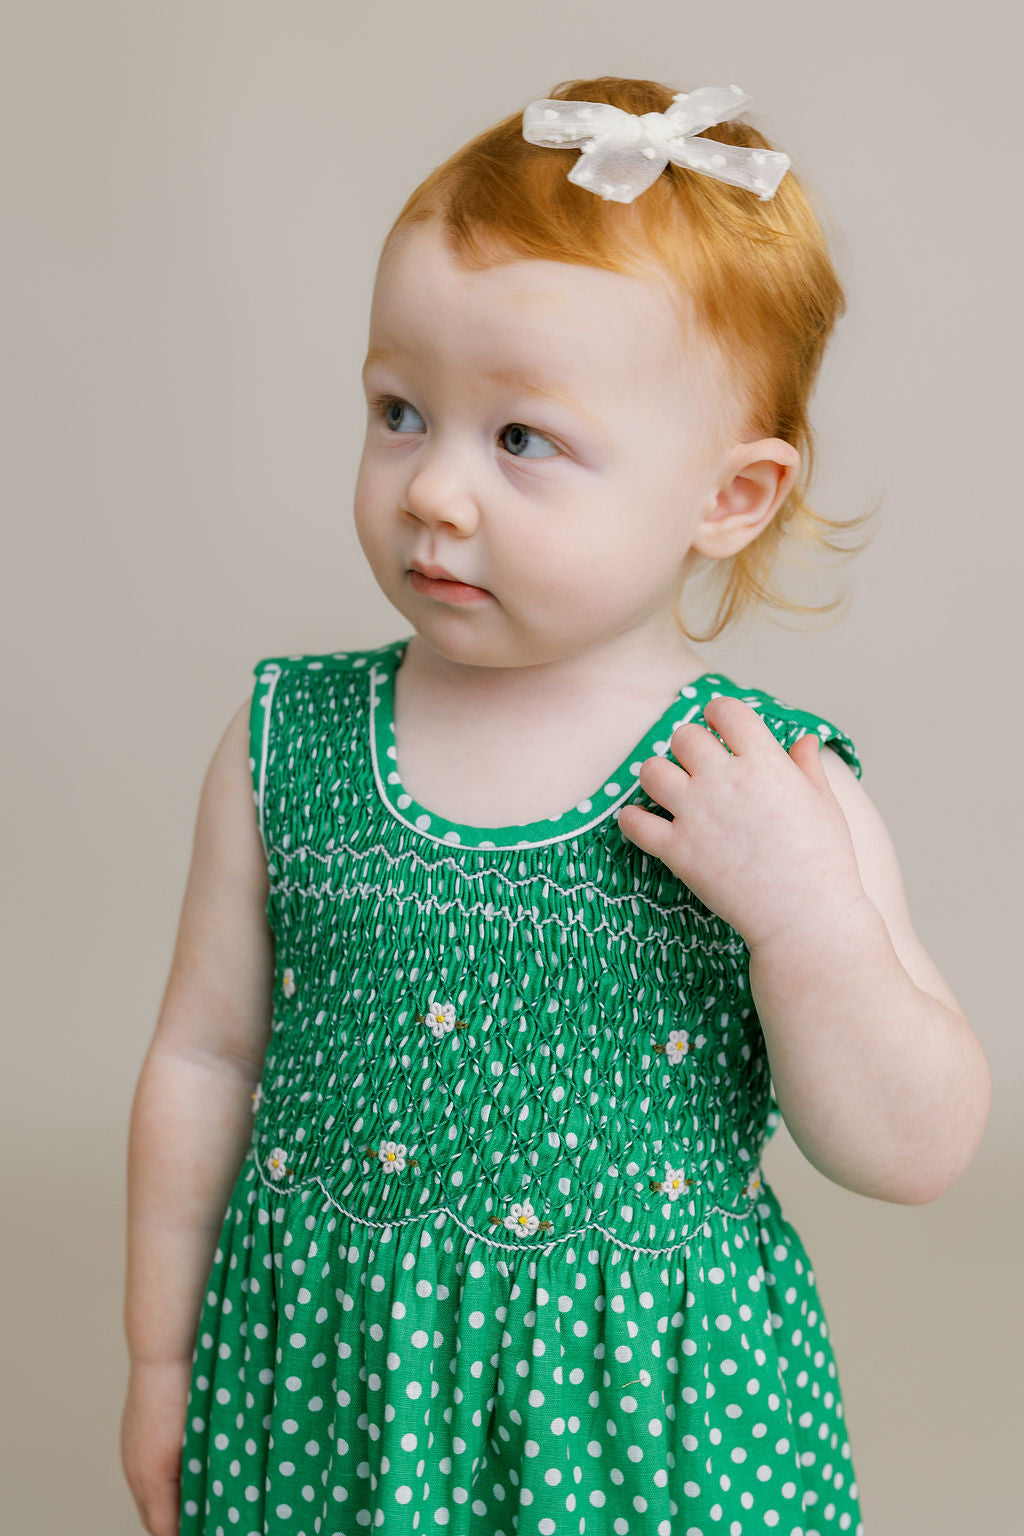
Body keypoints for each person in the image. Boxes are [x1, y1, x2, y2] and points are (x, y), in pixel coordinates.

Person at [120, 75, 992, 1536]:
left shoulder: (757, 781)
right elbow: (206, 1062)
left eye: (521, 440)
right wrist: (161, 1364)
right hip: (338, 1395)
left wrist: (807, 920)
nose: (434, 493)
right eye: (402, 412)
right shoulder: (292, 740)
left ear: (731, 496)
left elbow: (916, 1149)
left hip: (651, 1420)